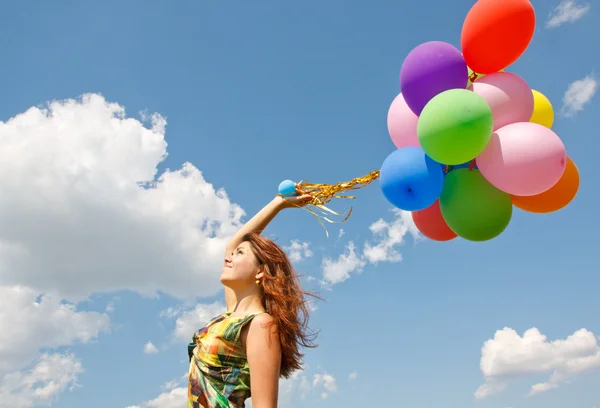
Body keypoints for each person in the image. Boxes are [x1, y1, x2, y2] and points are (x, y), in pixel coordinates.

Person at [187, 191, 319, 408]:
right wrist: (278, 203)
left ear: (260, 272)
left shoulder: (260, 324)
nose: (229, 257)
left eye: (240, 254)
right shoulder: (230, 317)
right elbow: (232, 244)